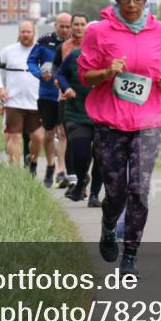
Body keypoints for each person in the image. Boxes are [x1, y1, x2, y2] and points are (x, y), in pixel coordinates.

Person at [78, 0, 161, 277]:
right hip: (111, 121)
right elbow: (85, 76)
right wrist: (107, 72)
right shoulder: (99, 32)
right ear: (117, 0)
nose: (132, 4)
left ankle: (131, 254)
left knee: (139, 189)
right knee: (116, 191)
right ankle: (109, 226)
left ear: (146, 0)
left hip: (149, 121)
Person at [56, 36, 102, 204]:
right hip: (76, 111)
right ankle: (81, 181)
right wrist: (66, 87)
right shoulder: (75, 55)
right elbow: (60, 74)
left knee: (100, 156)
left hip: (103, 115)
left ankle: (95, 194)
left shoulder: (112, 58)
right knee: (81, 152)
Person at [28, 13, 72, 186]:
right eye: (62, 26)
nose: (65, 30)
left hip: (65, 94)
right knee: (48, 133)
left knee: (62, 132)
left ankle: (61, 171)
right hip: (47, 94)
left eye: (68, 26)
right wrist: (39, 74)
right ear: (55, 26)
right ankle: (50, 166)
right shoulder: (44, 41)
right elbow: (31, 61)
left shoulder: (75, 44)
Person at [0, 21, 44, 171]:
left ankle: (32, 162)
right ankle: (15, 171)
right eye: (22, 31)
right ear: (18, 33)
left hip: (35, 101)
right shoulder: (7, 51)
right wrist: (0, 88)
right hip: (14, 101)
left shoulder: (41, 51)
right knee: (14, 137)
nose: (25, 34)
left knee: (38, 138)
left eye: (28, 32)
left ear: (33, 33)